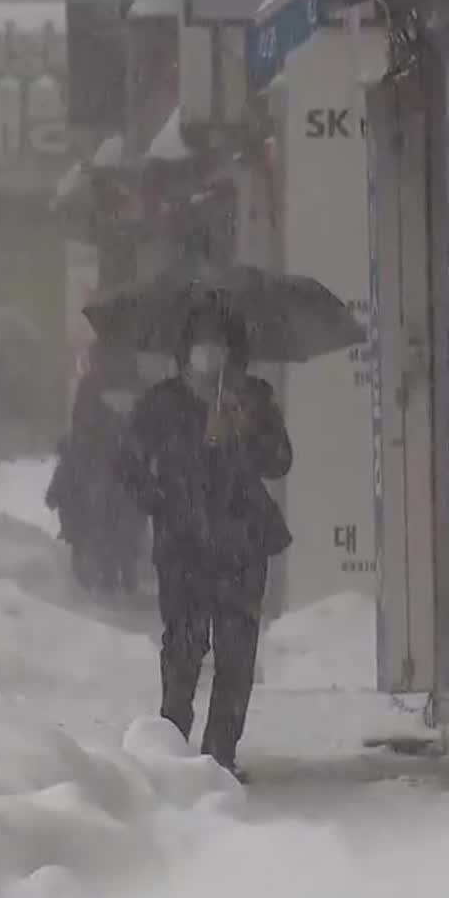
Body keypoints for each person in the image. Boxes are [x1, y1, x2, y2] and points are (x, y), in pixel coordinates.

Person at [121, 306, 293, 780]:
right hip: (183, 547)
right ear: (186, 351)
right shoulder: (163, 403)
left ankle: (220, 755)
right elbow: (129, 465)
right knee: (183, 648)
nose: (210, 352)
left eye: (220, 343)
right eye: (202, 342)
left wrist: (244, 431)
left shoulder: (253, 399)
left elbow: (280, 461)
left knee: (237, 653)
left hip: (242, 545)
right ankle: (171, 748)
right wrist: (164, 501)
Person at [47, 347, 146, 593]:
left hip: (99, 460)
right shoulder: (139, 387)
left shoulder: (90, 385)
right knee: (128, 513)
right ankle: (124, 563)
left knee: (92, 506)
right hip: (127, 462)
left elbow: (80, 423)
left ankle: (97, 557)